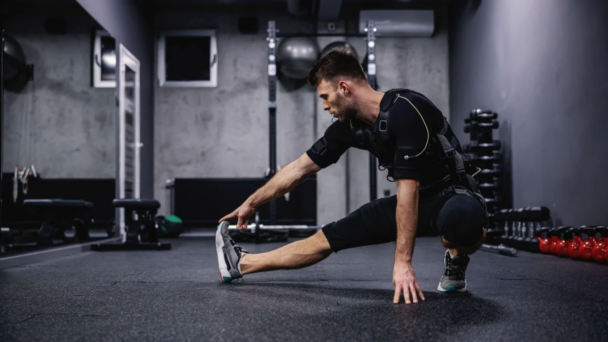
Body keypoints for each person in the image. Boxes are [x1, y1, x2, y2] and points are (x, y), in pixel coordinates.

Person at [216, 48, 487, 304]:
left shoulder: (407, 111)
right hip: (411, 198)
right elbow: (299, 169)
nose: (324, 106)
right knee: (328, 238)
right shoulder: (348, 128)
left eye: (325, 96)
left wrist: (403, 263)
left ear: (344, 88)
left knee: (462, 221)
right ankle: (241, 264)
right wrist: (252, 203)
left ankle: (456, 256)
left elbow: (408, 188)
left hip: (452, 196)